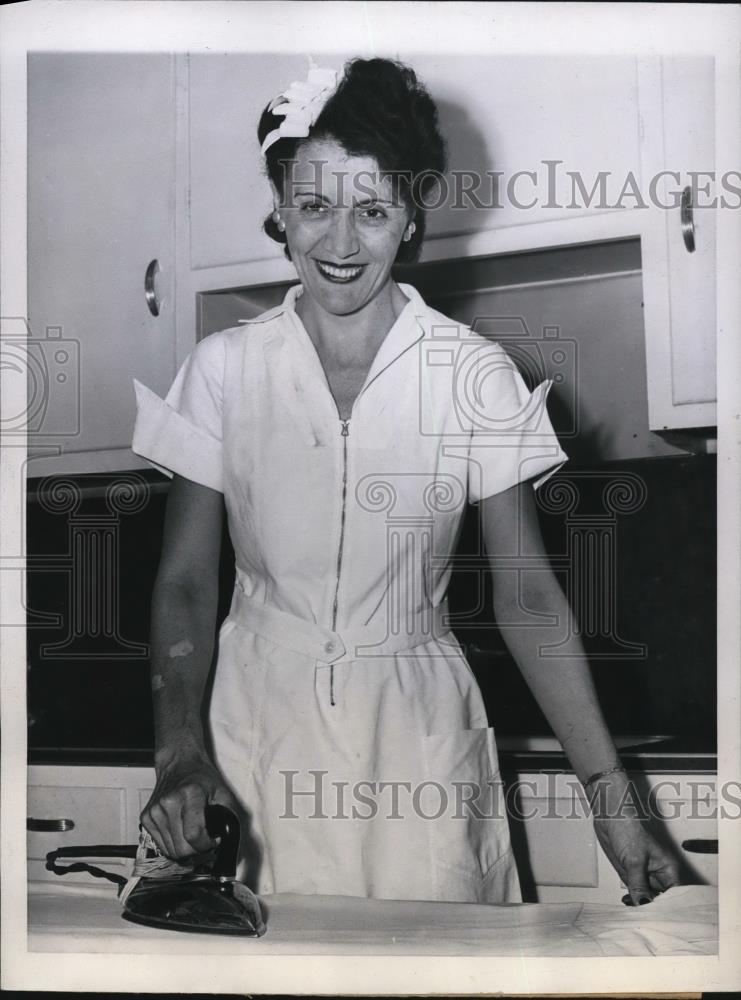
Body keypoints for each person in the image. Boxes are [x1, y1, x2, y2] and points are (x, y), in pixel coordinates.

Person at [132, 57, 680, 904]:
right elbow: (184, 583)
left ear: (412, 216)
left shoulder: (473, 374)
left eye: (373, 210)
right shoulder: (223, 369)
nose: (340, 244)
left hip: (420, 742)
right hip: (251, 736)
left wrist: (609, 794)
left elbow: (528, 597)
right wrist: (178, 753)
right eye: (313, 207)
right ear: (278, 207)